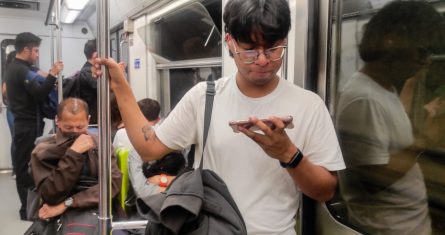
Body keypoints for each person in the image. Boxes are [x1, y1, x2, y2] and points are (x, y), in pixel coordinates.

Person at [94, 0, 345, 234]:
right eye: (249, 51)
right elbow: (149, 148)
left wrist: (288, 154)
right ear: (230, 42)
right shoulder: (205, 98)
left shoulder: (309, 105)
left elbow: (325, 190)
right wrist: (120, 85)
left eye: (273, 49)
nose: (262, 60)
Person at [335, 2, 443, 234]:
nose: (427, 60)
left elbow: (393, 141)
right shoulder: (363, 98)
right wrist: (427, 138)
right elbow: (371, 180)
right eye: (422, 51)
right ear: (390, 41)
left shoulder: (385, 89)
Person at [30, 97, 122, 221]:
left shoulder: (101, 144)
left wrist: (68, 203)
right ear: (57, 121)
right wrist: (73, 154)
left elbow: (113, 184)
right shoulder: (43, 151)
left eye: (80, 127)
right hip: (56, 213)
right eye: (68, 127)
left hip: (97, 207)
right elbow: (51, 195)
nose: (75, 132)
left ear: (88, 120)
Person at [4, 32, 63, 220]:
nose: (37, 55)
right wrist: (53, 74)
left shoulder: (22, 67)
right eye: (36, 51)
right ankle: (25, 210)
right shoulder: (19, 70)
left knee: (30, 165)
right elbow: (39, 94)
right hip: (26, 125)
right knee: (23, 168)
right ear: (26, 50)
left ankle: (31, 204)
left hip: (30, 124)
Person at [2, 50, 17, 177]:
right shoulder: (9, 74)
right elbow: (5, 92)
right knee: (16, 139)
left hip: (17, 109)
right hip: (13, 109)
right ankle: (15, 169)